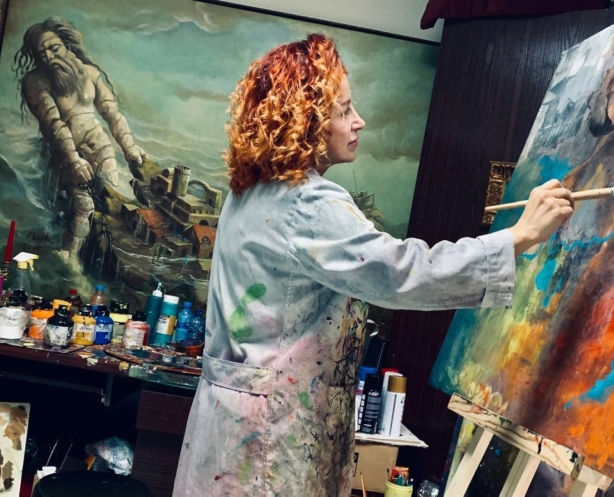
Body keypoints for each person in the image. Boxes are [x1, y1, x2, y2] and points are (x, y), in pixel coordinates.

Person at [173, 34, 573, 496]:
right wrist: (519, 237)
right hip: (269, 439)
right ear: (307, 122)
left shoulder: (248, 192)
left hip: (231, 426)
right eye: (344, 110)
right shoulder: (307, 202)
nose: (358, 120)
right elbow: (402, 273)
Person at [13, 17, 145, 256]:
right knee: (84, 206)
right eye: (42, 54)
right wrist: (74, 160)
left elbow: (112, 114)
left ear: (66, 44)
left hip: (100, 147)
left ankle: (101, 252)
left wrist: (129, 148)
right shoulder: (35, 82)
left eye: (54, 48)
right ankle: (69, 259)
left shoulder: (90, 73)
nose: (50, 57)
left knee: (112, 195)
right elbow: (54, 124)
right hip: (66, 154)